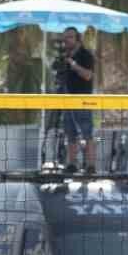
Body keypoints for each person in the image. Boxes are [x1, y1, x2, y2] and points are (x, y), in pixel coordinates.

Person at [53, 27, 96, 171]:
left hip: (82, 100)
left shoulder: (86, 55)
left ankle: (90, 165)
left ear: (77, 38)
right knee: (70, 134)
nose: (66, 41)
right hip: (67, 100)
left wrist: (74, 65)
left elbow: (88, 75)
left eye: (69, 37)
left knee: (87, 133)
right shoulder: (64, 57)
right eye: (64, 38)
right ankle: (72, 164)